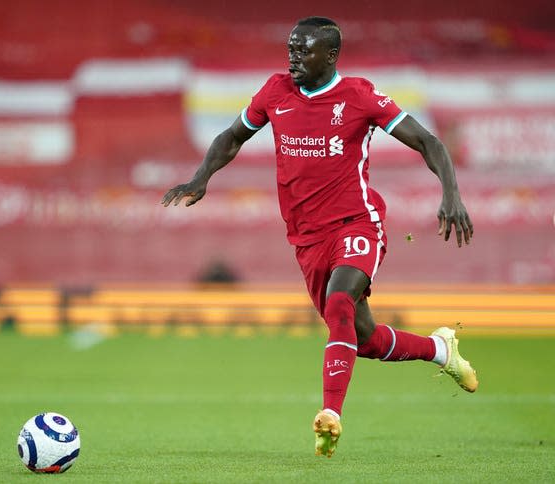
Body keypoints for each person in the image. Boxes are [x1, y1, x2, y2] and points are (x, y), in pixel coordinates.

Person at [162, 16, 478, 458]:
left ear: (330, 56)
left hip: (356, 222)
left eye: (302, 50)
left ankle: (331, 414)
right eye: (290, 49)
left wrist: (452, 194)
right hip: (306, 240)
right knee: (361, 338)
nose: (292, 58)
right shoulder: (275, 92)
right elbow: (232, 137)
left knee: (338, 303)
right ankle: (439, 350)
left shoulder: (358, 96)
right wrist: (201, 178)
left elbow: (429, 142)